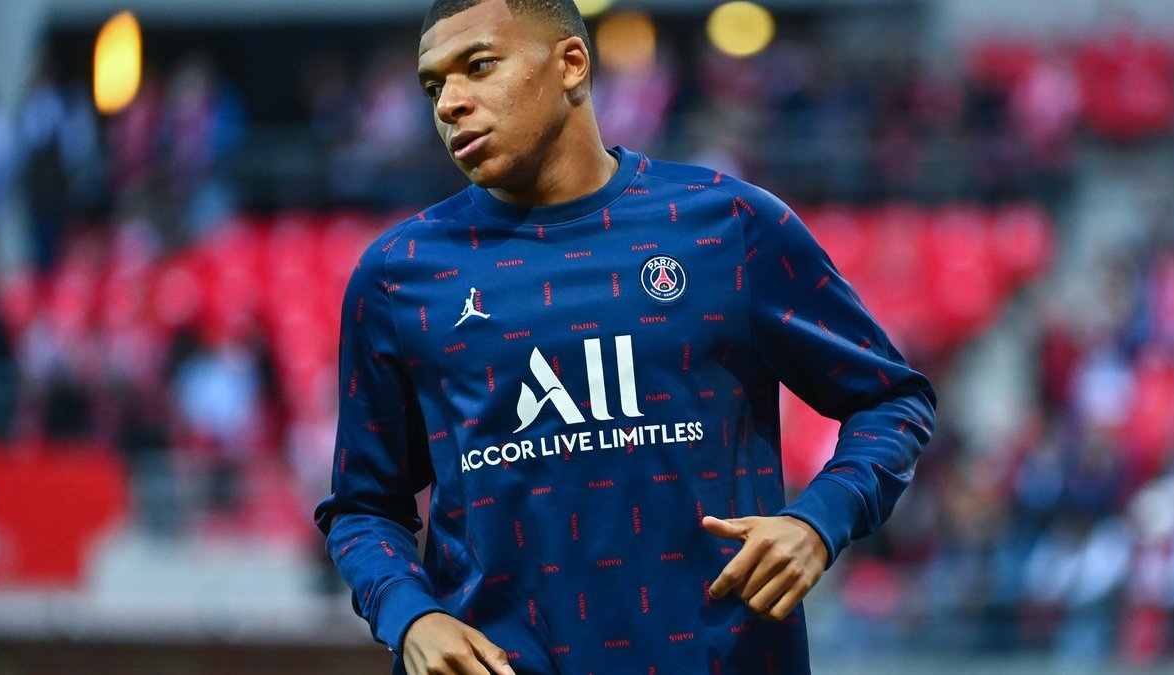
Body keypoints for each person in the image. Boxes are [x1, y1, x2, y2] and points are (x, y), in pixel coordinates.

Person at [314, 1, 937, 673]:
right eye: (434, 86)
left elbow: (890, 399)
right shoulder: (399, 274)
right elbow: (363, 507)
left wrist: (819, 520)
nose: (450, 103)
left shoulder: (730, 225)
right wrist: (411, 615)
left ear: (570, 65)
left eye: (480, 66)